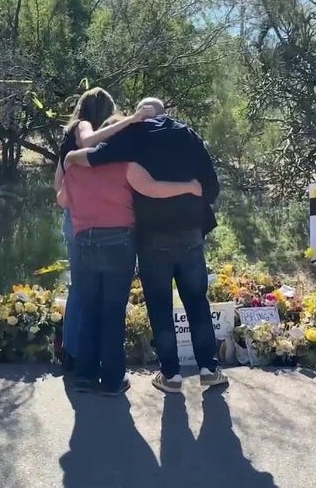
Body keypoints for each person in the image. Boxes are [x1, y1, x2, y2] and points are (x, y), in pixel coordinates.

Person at [64, 97, 227, 394]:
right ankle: (208, 368)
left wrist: (70, 159)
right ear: (165, 113)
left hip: (150, 236)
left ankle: (171, 375)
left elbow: (96, 158)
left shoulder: (132, 135)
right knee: (196, 300)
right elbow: (212, 187)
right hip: (190, 233)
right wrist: (192, 197)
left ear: (142, 114)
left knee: (159, 304)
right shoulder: (188, 135)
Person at [53, 88, 154, 371]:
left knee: (83, 289)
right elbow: (87, 141)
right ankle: (87, 357)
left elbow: (57, 186)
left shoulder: (68, 148)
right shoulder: (82, 127)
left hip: (77, 214)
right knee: (98, 298)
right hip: (96, 221)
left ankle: (75, 356)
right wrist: (131, 120)